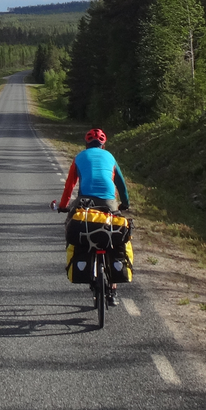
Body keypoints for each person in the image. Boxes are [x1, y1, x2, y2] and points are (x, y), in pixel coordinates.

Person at [54, 128, 130, 305]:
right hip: (109, 201)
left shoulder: (79, 157)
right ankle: (113, 290)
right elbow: (121, 183)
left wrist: (64, 206)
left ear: (86, 144)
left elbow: (69, 185)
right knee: (115, 235)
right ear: (104, 145)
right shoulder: (110, 157)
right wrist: (125, 203)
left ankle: (82, 263)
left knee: (73, 226)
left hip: (84, 201)